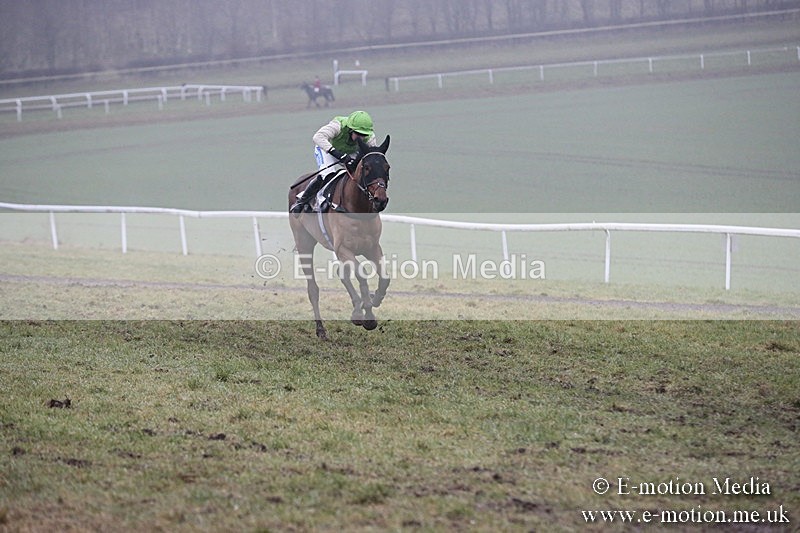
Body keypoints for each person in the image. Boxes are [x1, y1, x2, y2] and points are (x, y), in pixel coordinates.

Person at [290, 110, 378, 214]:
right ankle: (302, 201)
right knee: (327, 174)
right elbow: (317, 137)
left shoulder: (370, 138)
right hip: (327, 150)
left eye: (364, 135)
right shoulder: (338, 126)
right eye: (358, 134)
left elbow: (371, 157)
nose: (361, 138)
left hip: (349, 153)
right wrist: (336, 154)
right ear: (350, 129)